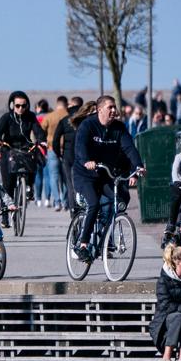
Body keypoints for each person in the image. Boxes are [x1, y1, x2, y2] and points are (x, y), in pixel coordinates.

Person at [71, 96, 144, 261]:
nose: (113, 110)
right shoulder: (88, 125)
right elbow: (80, 147)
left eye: (114, 107)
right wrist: (86, 161)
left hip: (105, 175)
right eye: (110, 107)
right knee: (94, 204)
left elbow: (129, 148)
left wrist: (138, 166)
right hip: (85, 175)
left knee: (120, 200)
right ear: (100, 109)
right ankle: (82, 244)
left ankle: (103, 241)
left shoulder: (119, 128)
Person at [0, 90, 46, 196]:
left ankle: (29, 187)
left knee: (33, 160)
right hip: (8, 148)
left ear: (27, 105)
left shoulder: (30, 116)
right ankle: (8, 205)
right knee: (8, 182)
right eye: (17, 106)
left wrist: (42, 141)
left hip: (25, 147)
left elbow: (38, 130)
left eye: (23, 106)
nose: (20, 108)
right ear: (12, 105)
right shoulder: (7, 117)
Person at [52, 96, 86, 211]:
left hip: (68, 156)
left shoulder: (64, 120)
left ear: (71, 105)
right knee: (83, 183)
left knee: (70, 185)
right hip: (83, 156)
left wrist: (59, 154)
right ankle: (84, 208)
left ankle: (74, 211)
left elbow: (56, 140)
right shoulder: (86, 119)